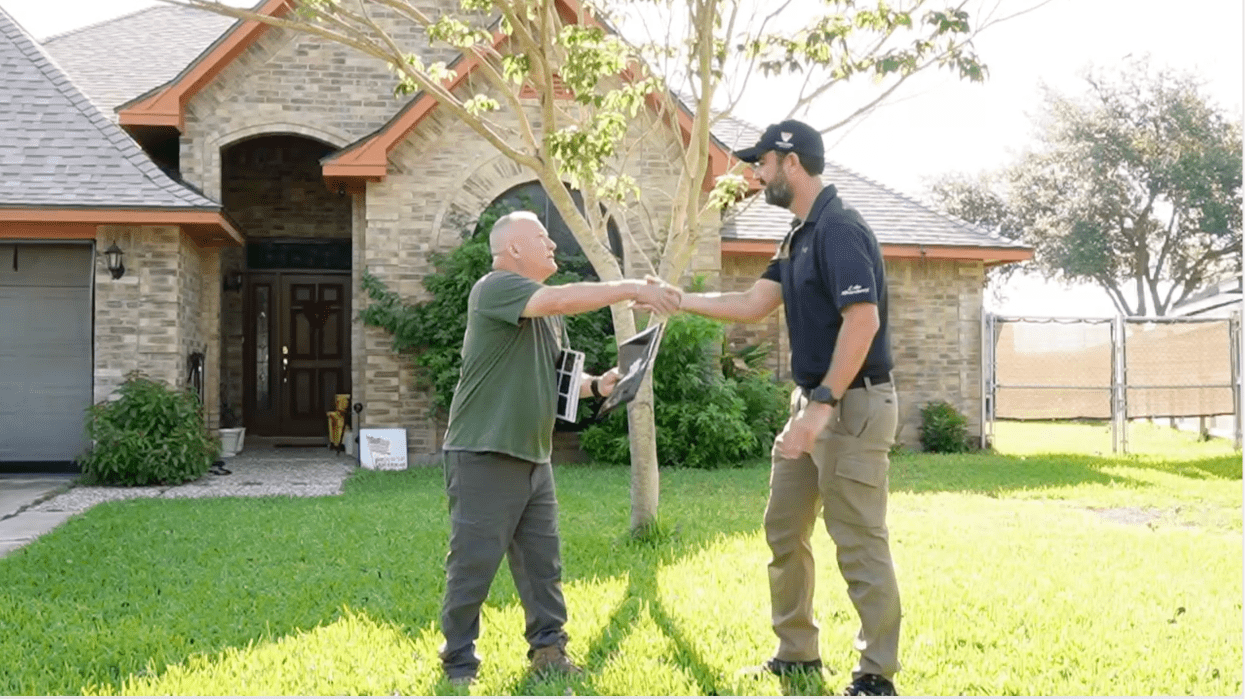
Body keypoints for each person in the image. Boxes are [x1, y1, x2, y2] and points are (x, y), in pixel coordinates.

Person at [674, 120, 902, 696]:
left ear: (790, 161)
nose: (755, 173)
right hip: (812, 404)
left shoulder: (840, 229)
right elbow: (754, 303)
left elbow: (863, 320)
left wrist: (822, 405)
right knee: (783, 529)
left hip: (850, 406)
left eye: (761, 163)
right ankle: (796, 653)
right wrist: (678, 300)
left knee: (857, 540)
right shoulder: (798, 234)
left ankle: (876, 674)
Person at [438, 210, 681, 686]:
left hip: (535, 457)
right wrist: (633, 288)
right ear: (513, 250)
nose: (552, 246)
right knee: (473, 564)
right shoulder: (495, 286)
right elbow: (562, 299)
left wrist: (602, 385)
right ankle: (459, 663)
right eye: (543, 239)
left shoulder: (547, 317)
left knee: (542, 565)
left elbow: (562, 383)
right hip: (484, 453)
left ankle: (549, 651)